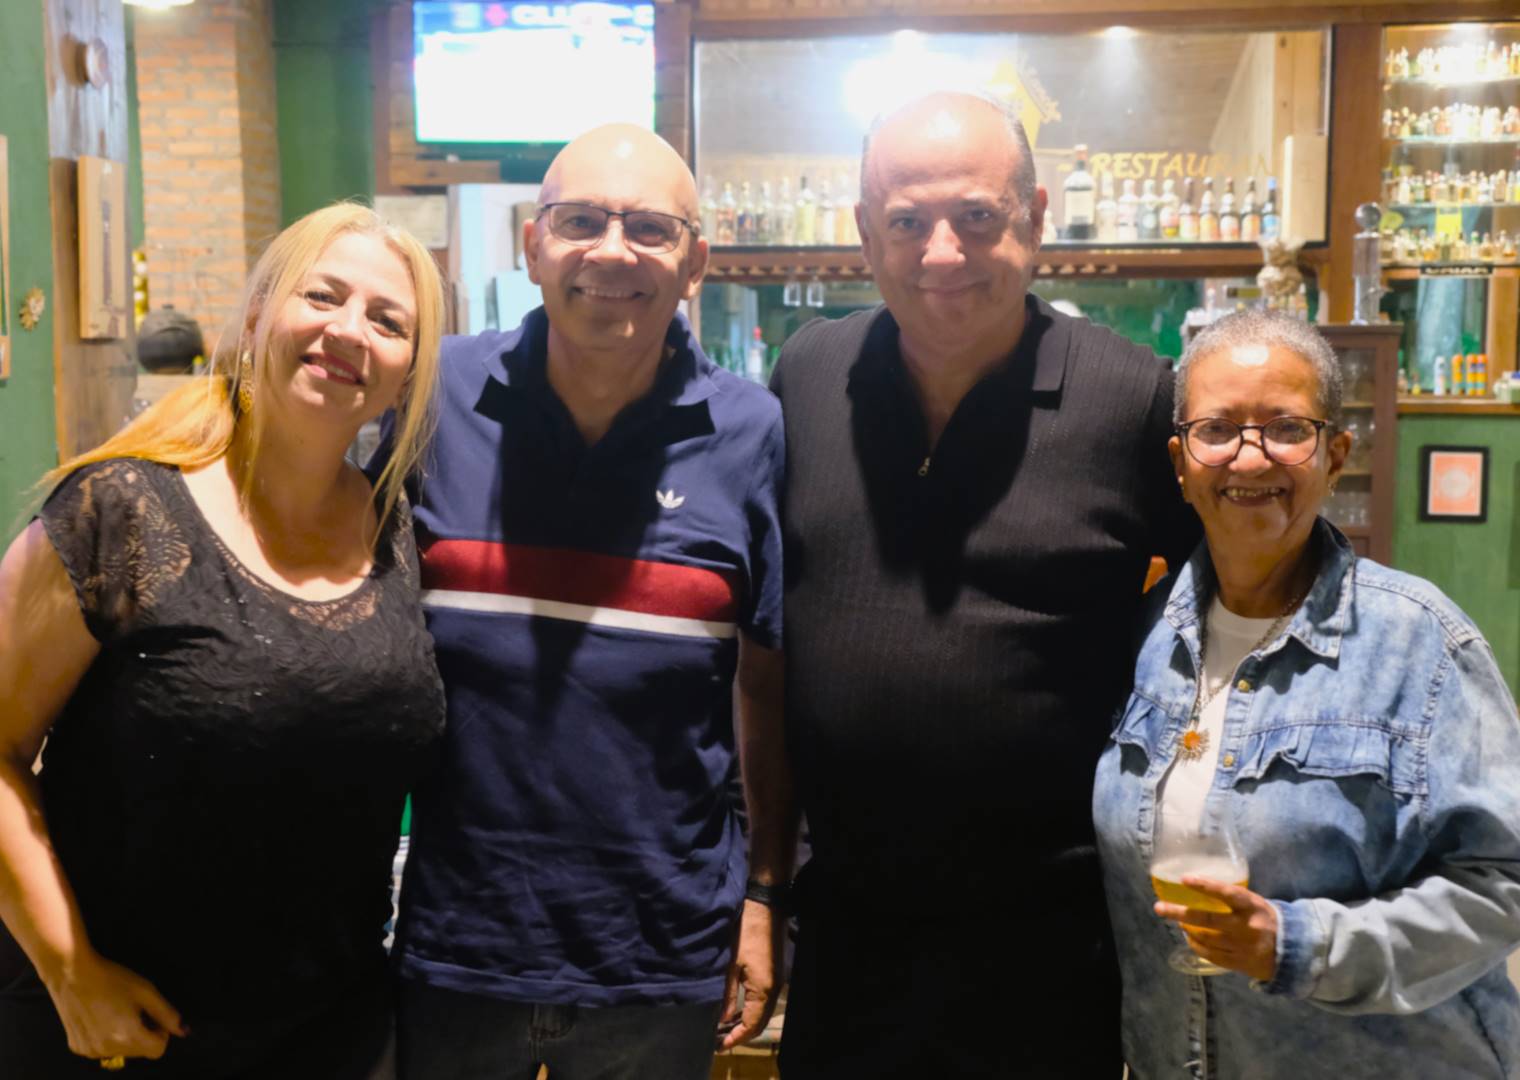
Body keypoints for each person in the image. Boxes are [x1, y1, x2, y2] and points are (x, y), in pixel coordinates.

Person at [768, 92, 1197, 1077]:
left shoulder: (1132, 397)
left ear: (1034, 218)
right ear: (863, 234)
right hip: (845, 931)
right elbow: (764, 641)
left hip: (1049, 943)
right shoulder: (809, 373)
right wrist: (762, 886)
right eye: (905, 222)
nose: (941, 253)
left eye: (975, 216)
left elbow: (1223, 622)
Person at [0, 202, 448, 1078]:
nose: (348, 330)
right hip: (120, 1030)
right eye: (322, 296)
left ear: (406, 377)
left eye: (388, 321)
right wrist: (70, 973)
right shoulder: (117, 510)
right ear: (253, 319)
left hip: (335, 1030)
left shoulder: (399, 532)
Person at [387, 124, 790, 1080]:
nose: (613, 252)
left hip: (661, 958)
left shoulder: (750, 432)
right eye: (581, 222)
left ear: (695, 262)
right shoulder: (434, 395)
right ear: (533, 246)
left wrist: (764, 896)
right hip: (453, 947)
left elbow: (768, 690)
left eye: (649, 228)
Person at [1095, 308, 1520, 1077]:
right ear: (1181, 463)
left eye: (1286, 428)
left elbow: (1502, 883)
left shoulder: (1419, 643)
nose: (1250, 456)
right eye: (1217, 429)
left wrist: (1300, 946)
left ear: (1335, 456)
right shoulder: (1145, 635)